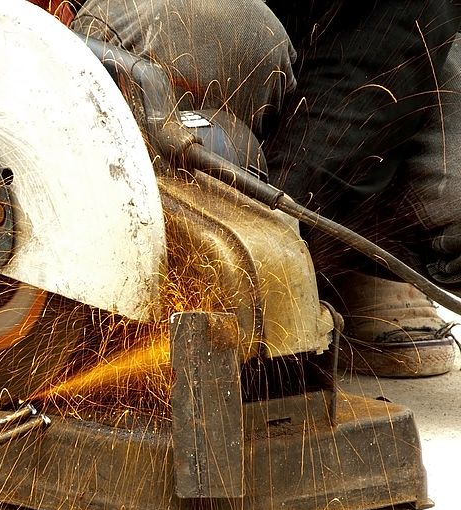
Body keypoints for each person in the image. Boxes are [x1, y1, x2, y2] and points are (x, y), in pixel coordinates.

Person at [58, 0, 461, 377]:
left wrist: (288, 229)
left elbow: (391, 35)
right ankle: (143, 270)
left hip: (322, 33)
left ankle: (352, 268)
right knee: (235, 34)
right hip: (156, 23)